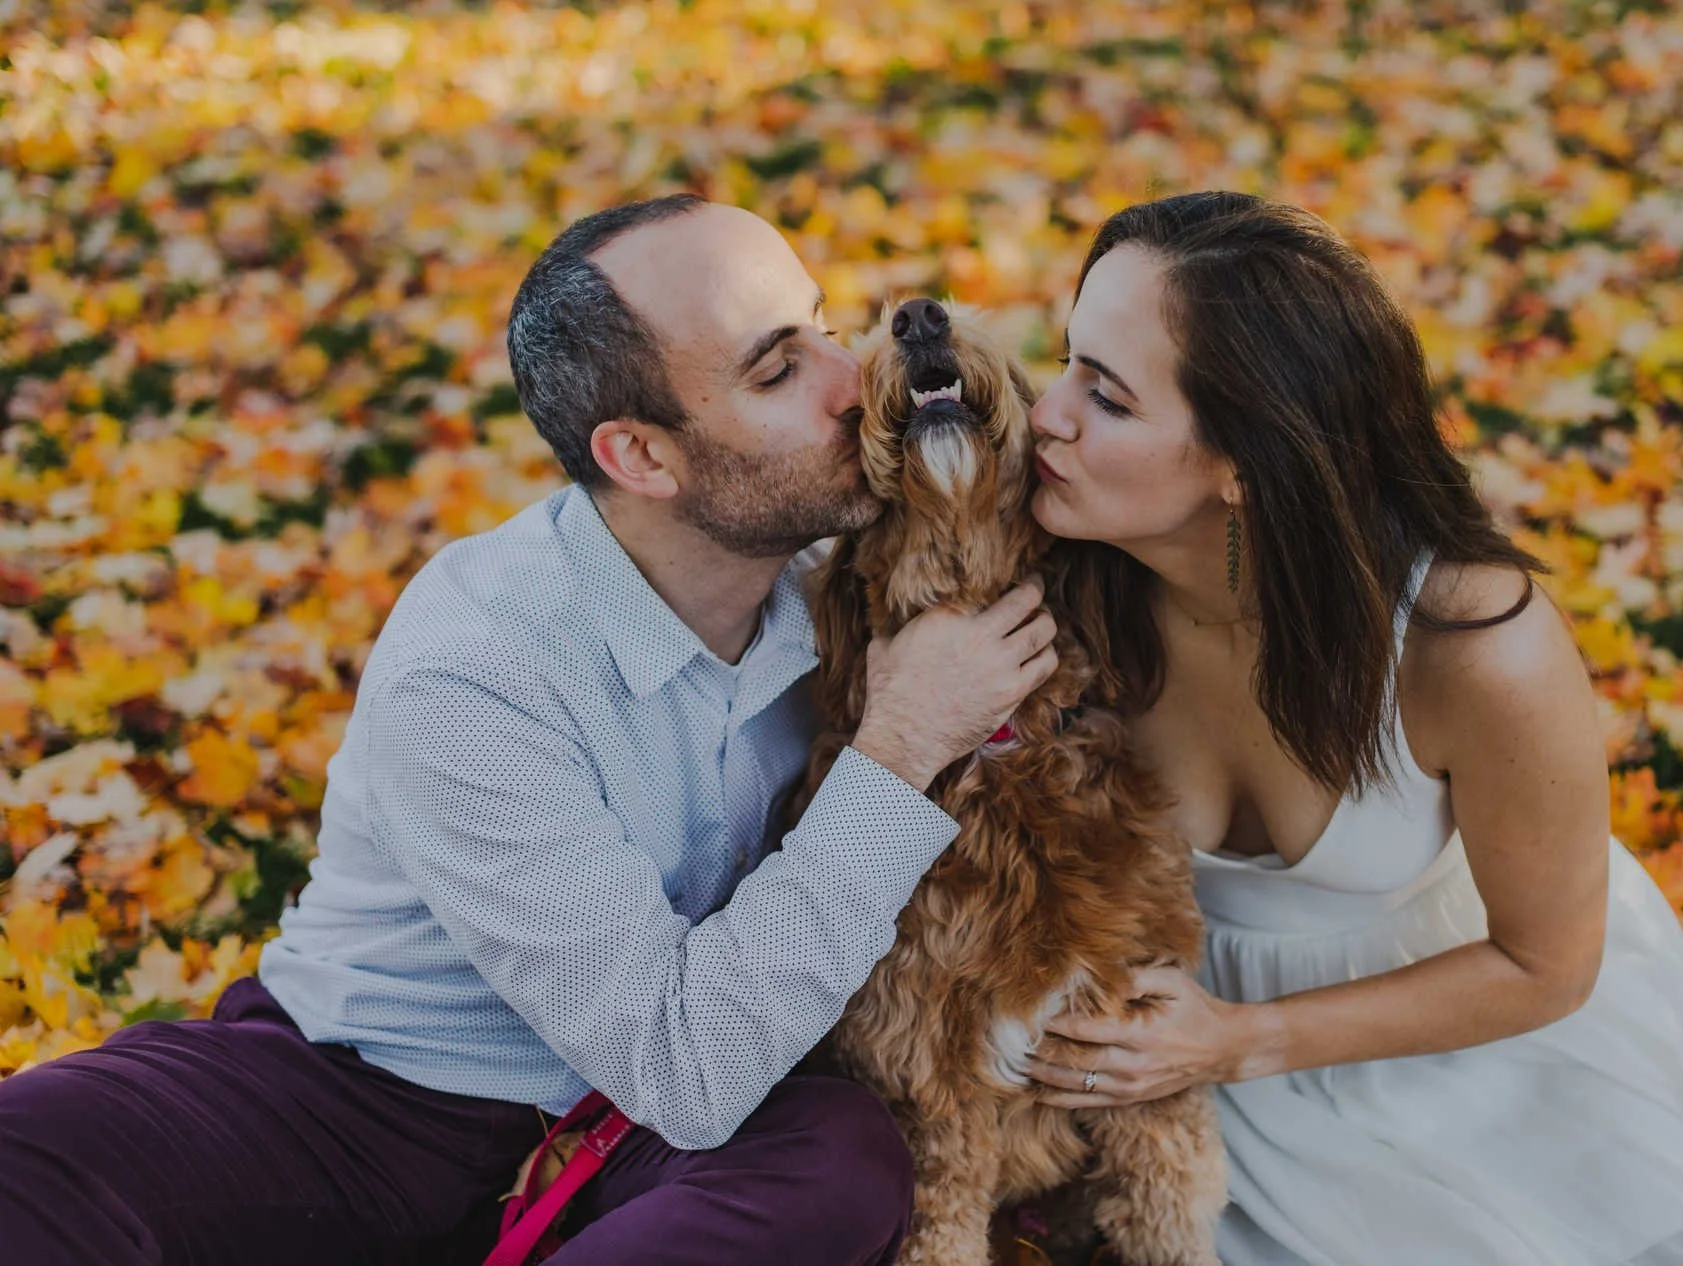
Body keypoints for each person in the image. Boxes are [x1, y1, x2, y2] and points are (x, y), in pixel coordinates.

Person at [0, 195, 1061, 1265]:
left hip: (641, 1141)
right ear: (642, 456)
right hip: (367, 1100)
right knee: (25, 1162)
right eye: (779, 370)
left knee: (840, 1162)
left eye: (825, 323)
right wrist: (899, 748)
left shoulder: (842, 583)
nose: (852, 381)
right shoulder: (476, 665)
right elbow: (684, 1062)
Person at [1020, 191, 1683, 1264]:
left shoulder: (1473, 647)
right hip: (1178, 1084)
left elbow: (1545, 966)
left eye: (1104, 397)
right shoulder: (1059, 586)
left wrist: (1240, 1040)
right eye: (1064, 361)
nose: (1045, 416)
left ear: (1244, 466)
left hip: (1468, 1052)